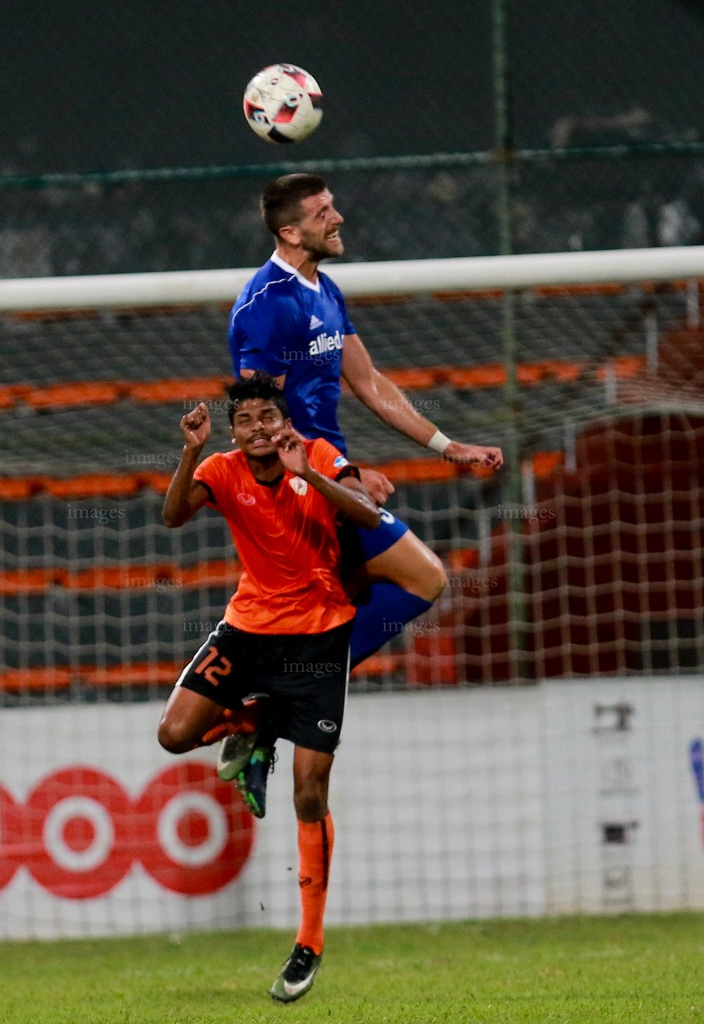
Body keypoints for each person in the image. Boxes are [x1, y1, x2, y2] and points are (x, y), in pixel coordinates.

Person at [224, 172, 504, 805]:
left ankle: (268, 710)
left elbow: (370, 383)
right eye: (325, 212)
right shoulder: (266, 304)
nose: (339, 218)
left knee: (365, 604)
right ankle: (274, 701)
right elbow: (259, 420)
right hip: (300, 489)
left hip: (326, 478)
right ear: (290, 230)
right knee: (423, 579)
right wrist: (337, 474)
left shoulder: (325, 291)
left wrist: (446, 445)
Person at [157, 374, 380, 1002]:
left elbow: (369, 512)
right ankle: (251, 724)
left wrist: (311, 474)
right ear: (233, 431)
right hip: (250, 631)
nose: (258, 428)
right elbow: (172, 517)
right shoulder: (223, 468)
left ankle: (308, 943)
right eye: (245, 420)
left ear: (286, 422)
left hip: (319, 637)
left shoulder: (319, 455)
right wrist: (190, 451)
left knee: (309, 793)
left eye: (267, 417)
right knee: (175, 734)